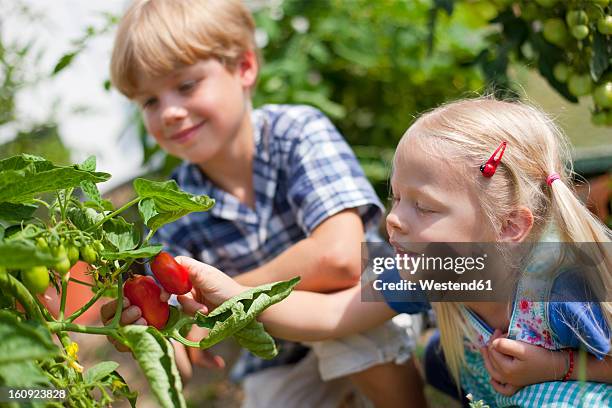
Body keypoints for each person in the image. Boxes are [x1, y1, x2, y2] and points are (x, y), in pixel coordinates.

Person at [173, 98, 612, 407]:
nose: (395, 220)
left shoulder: (562, 289)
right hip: (500, 380)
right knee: (439, 359)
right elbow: (332, 316)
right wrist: (234, 296)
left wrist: (557, 365)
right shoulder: (441, 268)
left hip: (576, 382)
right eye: (396, 198)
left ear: (509, 226)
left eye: (423, 206)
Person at [100, 0, 425, 407]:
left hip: (360, 310)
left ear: (244, 68)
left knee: (355, 339)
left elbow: (340, 258)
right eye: (149, 101)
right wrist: (149, 329)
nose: (169, 113)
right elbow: (188, 337)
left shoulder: (296, 132)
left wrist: (227, 293)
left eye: (185, 86)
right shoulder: (173, 209)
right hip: (278, 356)